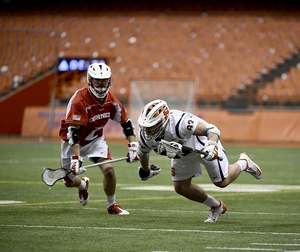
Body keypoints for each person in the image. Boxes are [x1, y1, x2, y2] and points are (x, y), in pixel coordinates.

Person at [136, 99, 262, 222]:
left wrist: (211, 145)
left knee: (221, 182)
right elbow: (143, 153)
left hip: (201, 146)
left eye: (151, 126)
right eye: (145, 126)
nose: (147, 130)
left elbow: (213, 130)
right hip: (182, 154)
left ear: (163, 122)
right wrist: (146, 170)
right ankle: (216, 206)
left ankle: (243, 162)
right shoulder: (144, 136)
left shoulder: (180, 123)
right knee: (181, 187)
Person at [59, 62, 138, 215]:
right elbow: (73, 132)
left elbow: (127, 124)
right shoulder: (79, 99)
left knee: (109, 170)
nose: (101, 85)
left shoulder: (111, 101)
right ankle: (82, 185)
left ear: (109, 81)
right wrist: (76, 158)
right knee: (68, 182)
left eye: (104, 81)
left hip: (95, 140)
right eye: (97, 81)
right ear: (90, 80)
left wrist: (134, 146)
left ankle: (111, 205)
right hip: (72, 142)